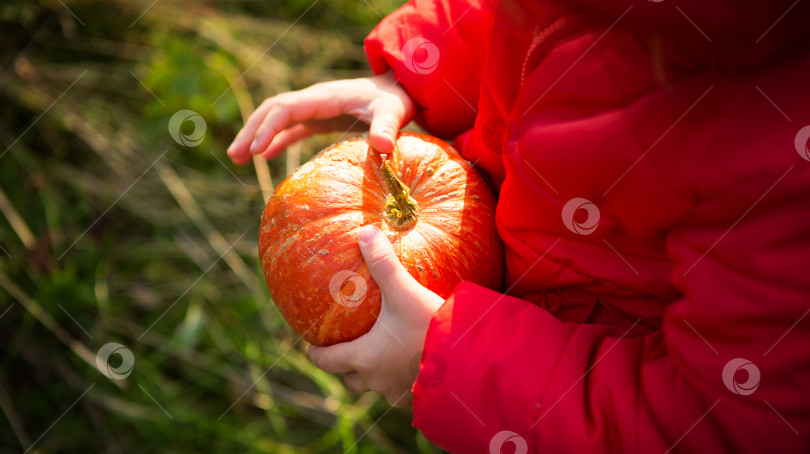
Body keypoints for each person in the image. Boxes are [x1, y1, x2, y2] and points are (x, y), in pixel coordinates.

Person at [227, 0, 810, 451]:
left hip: (558, 402)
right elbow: (513, 17)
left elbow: (726, 430)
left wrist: (450, 362)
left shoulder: (782, 155)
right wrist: (416, 72)